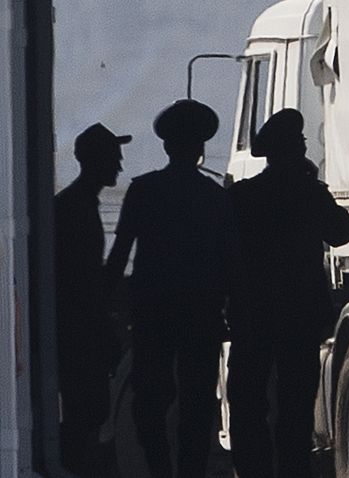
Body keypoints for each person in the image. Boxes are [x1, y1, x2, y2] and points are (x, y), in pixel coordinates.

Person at [105, 99, 240, 478]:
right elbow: (232, 264)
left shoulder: (143, 191)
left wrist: (103, 304)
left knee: (148, 403)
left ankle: (160, 469)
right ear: (200, 149)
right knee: (197, 404)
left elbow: (119, 256)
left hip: (153, 315)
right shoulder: (215, 198)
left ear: (166, 146)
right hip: (202, 315)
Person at [227, 108, 349, 478]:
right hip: (299, 319)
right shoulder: (308, 193)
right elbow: (341, 232)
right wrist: (315, 187)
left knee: (249, 407)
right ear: (293, 151)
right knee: (296, 409)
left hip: (253, 318)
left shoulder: (243, 196)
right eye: (299, 143)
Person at [55, 123, 129, 476]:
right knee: (86, 415)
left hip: (77, 333)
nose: (120, 165)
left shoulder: (73, 204)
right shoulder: (76, 209)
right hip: (81, 337)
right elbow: (84, 284)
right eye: (114, 157)